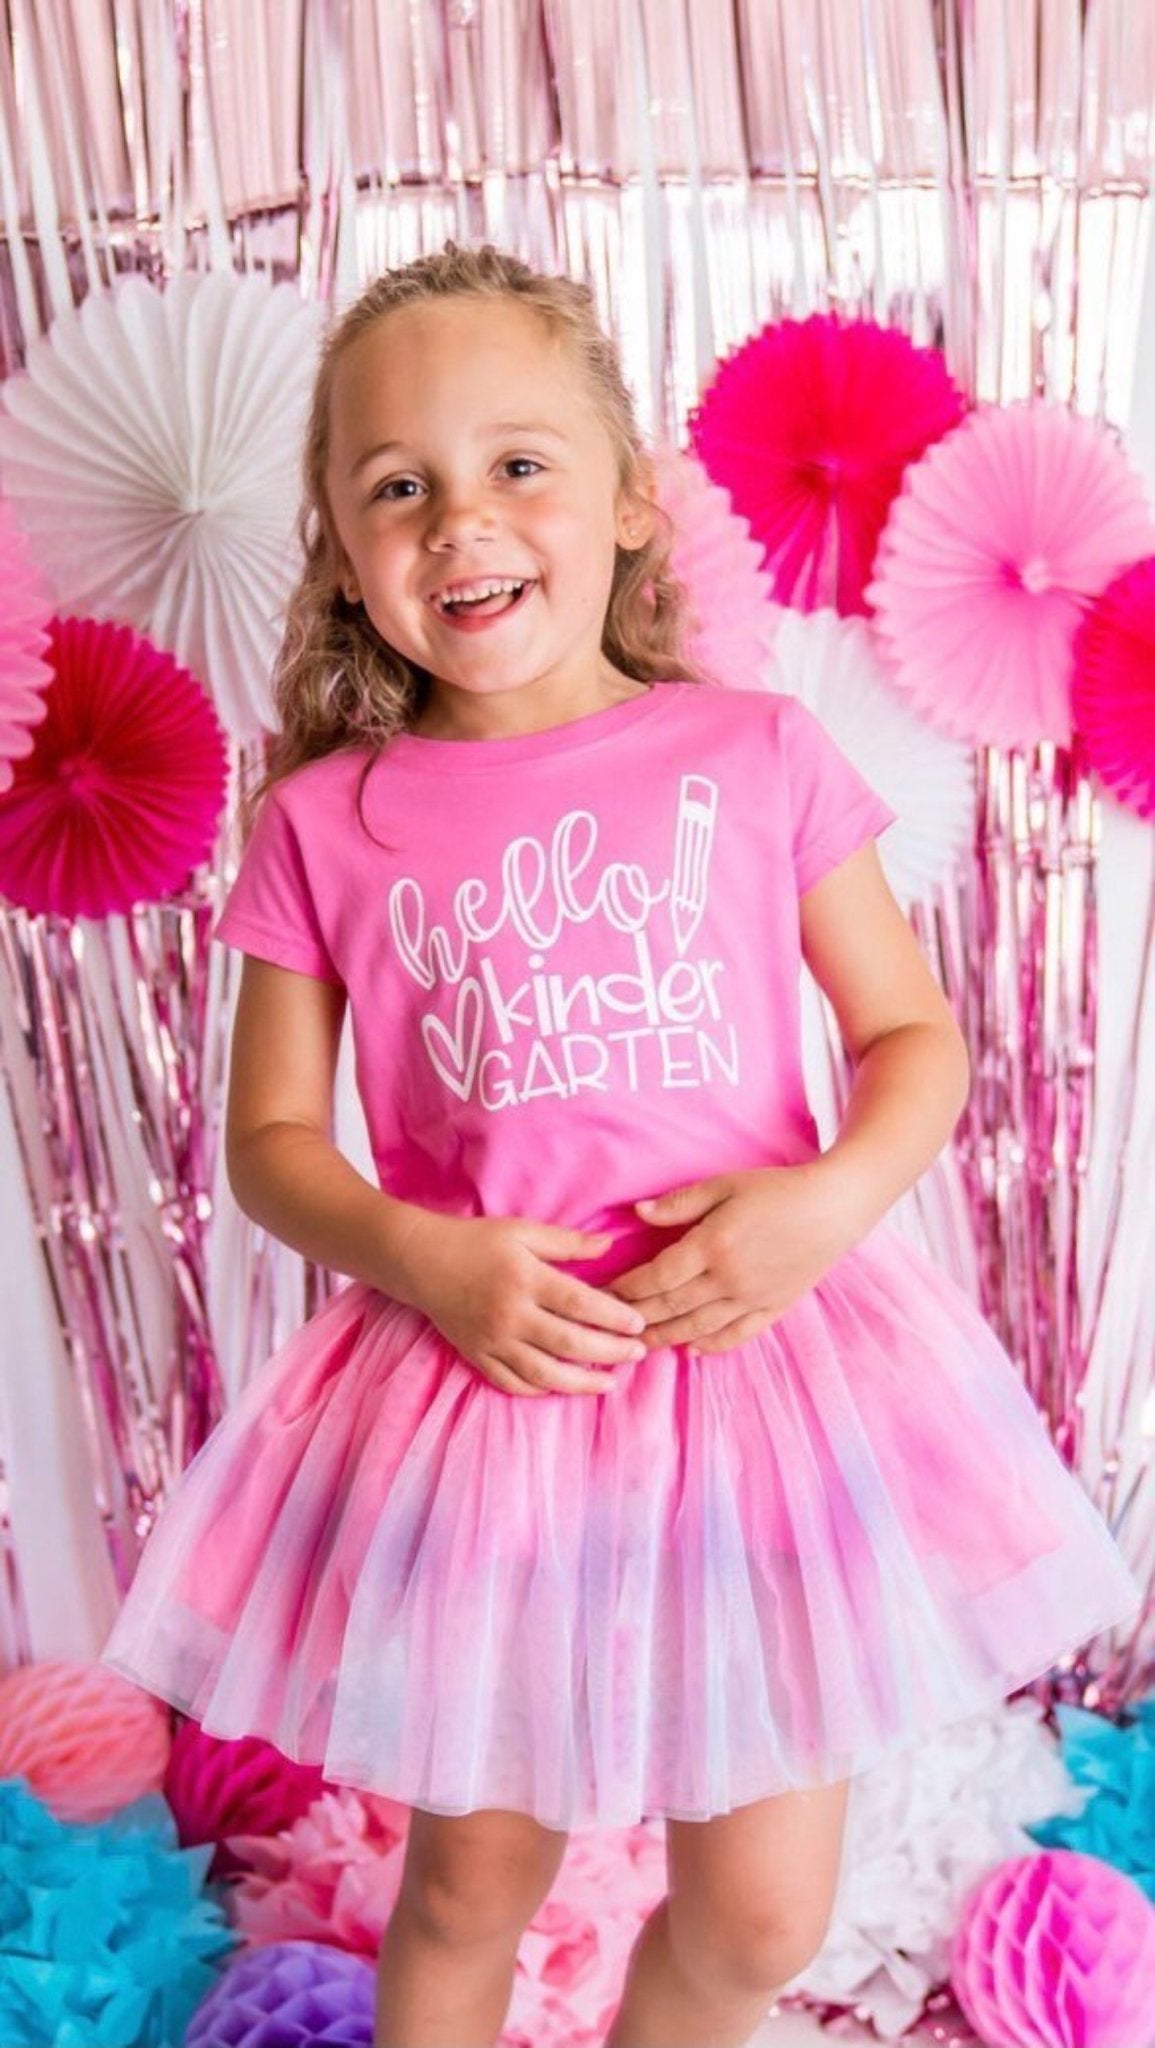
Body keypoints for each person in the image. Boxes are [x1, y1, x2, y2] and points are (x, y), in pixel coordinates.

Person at [100, 241, 1142, 2048]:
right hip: (494, 1392)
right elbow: (269, 1143)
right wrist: (425, 1252)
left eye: (518, 463)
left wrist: (822, 1206)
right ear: (342, 551)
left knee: (762, 1914)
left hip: (758, 1381)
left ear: (632, 503)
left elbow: (914, 1044)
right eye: (397, 487)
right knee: (467, 1887)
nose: (460, 520)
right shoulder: (329, 821)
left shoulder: (755, 753)